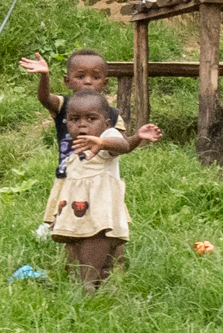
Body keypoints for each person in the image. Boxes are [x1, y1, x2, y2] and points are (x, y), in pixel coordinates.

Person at [19, 49, 162, 223]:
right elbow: (45, 99)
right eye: (80, 76)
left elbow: (122, 146)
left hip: (99, 182)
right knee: (65, 224)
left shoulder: (111, 115)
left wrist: (137, 137)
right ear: (67, 81)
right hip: (69, 178)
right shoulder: (64, 106)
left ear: (105, 83)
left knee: (102, 223)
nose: (88, 81)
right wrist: (44, 76)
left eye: (95, 77)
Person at [51, 90, 131, 293]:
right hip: (77, 209)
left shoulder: (107, 137)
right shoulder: (74, 149)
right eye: (74, 119)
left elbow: (123, 145)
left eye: (91, 119)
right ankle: (98, 285)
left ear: (106, 123)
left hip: (99, 208)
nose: (82, 125)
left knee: (96, 240)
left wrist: (102, 143)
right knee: (75, 243)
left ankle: (87, 283)